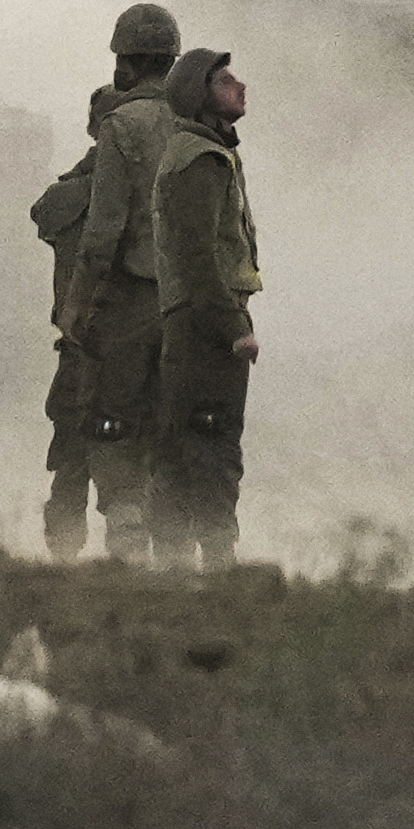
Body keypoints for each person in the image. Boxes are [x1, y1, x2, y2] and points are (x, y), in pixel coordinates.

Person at [49, 0, 185, 559]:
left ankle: (126, 555)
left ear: (125, 63)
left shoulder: (121, 126)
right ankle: (186, 563)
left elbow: (101, 235)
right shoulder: (202, 125)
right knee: (175, 437)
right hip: (191, 307)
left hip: (130, 305)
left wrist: (75, 314)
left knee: (110, 429)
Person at [150, 43, 264, 566]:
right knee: (213, 445)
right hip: (205, 327)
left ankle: (174, 566)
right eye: (224, 82)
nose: (239, 87)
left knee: (185, 446)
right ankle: (218, 566)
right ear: (200, 98)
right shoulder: (200, 160)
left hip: (193, 324)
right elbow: (198, 257)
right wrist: (233, 325)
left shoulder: (201, 153)